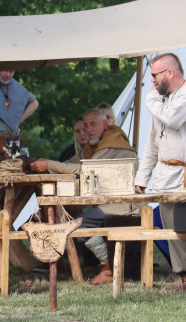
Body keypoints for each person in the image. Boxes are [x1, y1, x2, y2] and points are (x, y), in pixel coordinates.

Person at [133, 53, 186, 292]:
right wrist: (142, 177)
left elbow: (173, 119)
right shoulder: (161, 102)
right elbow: (152, 143)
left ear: (170, 72)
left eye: (155, 76)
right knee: (171, 226)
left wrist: (150, 101)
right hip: (167, 173)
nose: (152, 82)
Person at [30, 107, 139, 285]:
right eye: (86, 125)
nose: (88, 129)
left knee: (79, 224)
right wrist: (45, 164)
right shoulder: (93, 146)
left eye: (93, 124)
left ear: (105, 124)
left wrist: (49, 164)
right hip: (106, 201)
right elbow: (71, 164)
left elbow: (85, 170)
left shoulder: (111, 143)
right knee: (69, 217)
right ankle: (53, 258)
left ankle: (108, 270)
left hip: (122, 204)